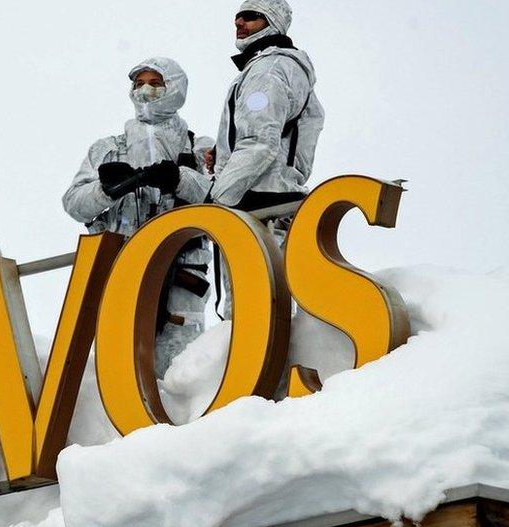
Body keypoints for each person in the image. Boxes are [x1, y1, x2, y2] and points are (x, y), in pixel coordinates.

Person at [62, 57, 212, 378]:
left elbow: (223, 201)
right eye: (138, 83)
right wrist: (108, 189)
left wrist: (180, 179)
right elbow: (74, 204)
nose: (145, 90)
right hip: (121, 271)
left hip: (184, 278)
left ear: (174, 88)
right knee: (122, 371)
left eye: (155, 83)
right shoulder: (107, 150)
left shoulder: (200, 150)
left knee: (183, 376)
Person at [210, 0, 324, 318]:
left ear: (272, 22)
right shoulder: (290, 71)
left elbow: (260, 143)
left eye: (250, 16)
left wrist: (218, 196)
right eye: (237, 16)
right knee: (276, 312)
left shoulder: (267, 70)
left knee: (251, 317)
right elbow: (296, 140)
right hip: (279, 205)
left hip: (257, 206)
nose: (239, 21)